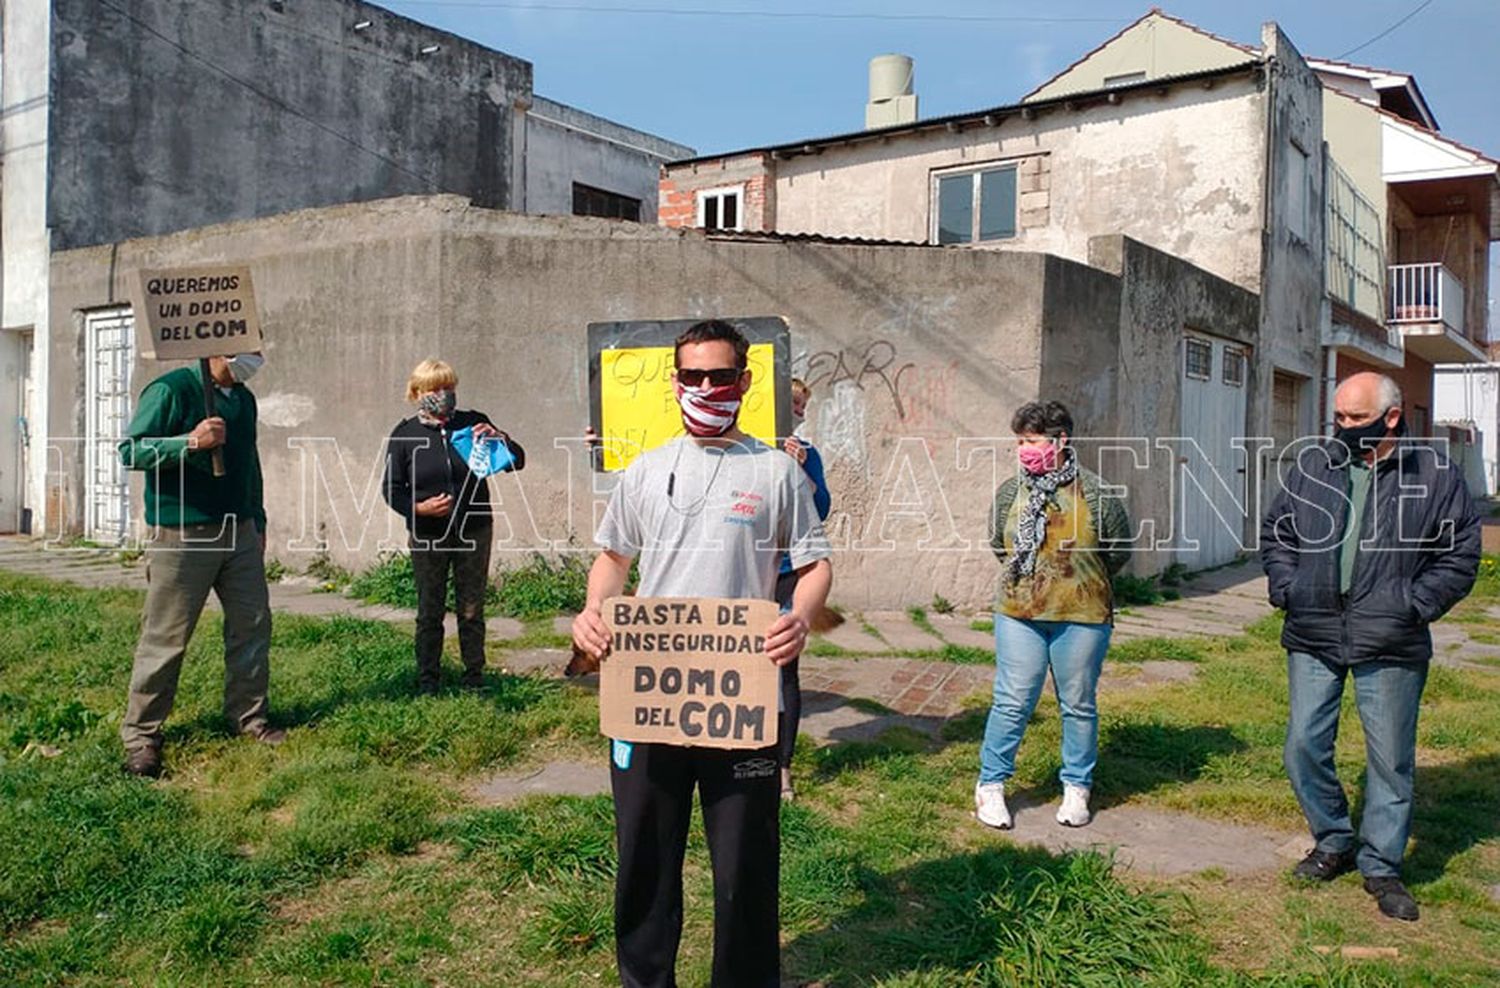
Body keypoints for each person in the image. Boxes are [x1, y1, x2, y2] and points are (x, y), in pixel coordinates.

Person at [571, 320, 832, 988]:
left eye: (721, 376)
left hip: (740, 700)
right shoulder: (646, 469)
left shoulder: (777, 472)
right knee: (645, 861)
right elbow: (611, 560)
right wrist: (592, 612)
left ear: (746, 382)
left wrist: (799, 619)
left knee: (745, 863)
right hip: (647, 697)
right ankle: (645, 978)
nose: (707, 388)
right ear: (676, 381)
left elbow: (814, 566)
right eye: (694, 376)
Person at [1261, 371, 1479, 922]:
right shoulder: (1317, 465)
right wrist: (1288, 588)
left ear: (1391, 416)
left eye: (1355, 418)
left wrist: (1414, 604)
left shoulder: (1433, 474)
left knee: (1389, 762)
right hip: (1315, 629)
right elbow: (1278, 533)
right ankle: (1333, 839)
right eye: (1338, 416)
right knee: (1302, 746)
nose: (1343, 427)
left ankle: (1381, 864)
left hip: (1391, 636)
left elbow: (1458, 557)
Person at [117, 351, 280, 778]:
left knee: (252, 624)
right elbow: (130, 451)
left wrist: (257, 518)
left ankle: (249, 718)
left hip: (238, 531)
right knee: (166, 637)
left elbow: (251, 462)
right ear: (222, 347)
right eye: (250, 348)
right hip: (183, 532)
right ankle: (142, 736)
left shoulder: (243, 398)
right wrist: (190, 442)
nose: (256, 357)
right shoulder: (170, 389)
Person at [976, 399, 1131, 830]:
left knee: (1078, 704)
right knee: (1012, 700)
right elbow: (998, 543)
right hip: (1018, 612)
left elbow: (1118, 551)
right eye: (1019, 441)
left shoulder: (1097, 494)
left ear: (1061, 440)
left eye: (1031, 440)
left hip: (1082, 615)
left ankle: (1077, 787)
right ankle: (991, 785)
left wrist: (1075, 580)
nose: (1023, 449)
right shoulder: (1012, 492)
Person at [382, 359, 525, 694]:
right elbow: (391, 489)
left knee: (471, 608)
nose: (444, 395)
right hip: (428, 535)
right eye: (435, 388)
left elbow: (517, 460)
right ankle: (427, 679)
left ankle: (474, 676)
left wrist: (499, 438)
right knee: (429, 609)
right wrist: (418, 509)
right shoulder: (405, 436)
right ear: (417, 393)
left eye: (449, 387)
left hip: (474, 529)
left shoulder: (474, 423)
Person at [776, 377, 831, 800]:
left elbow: (822, 508)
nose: (799, 411)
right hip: (743, 573)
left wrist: (798, 470)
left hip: (786, 573)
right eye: (792, 403)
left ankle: (782, 768)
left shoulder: (807, 455)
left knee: (784, 666)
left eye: (802, 406)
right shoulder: (740, 449)